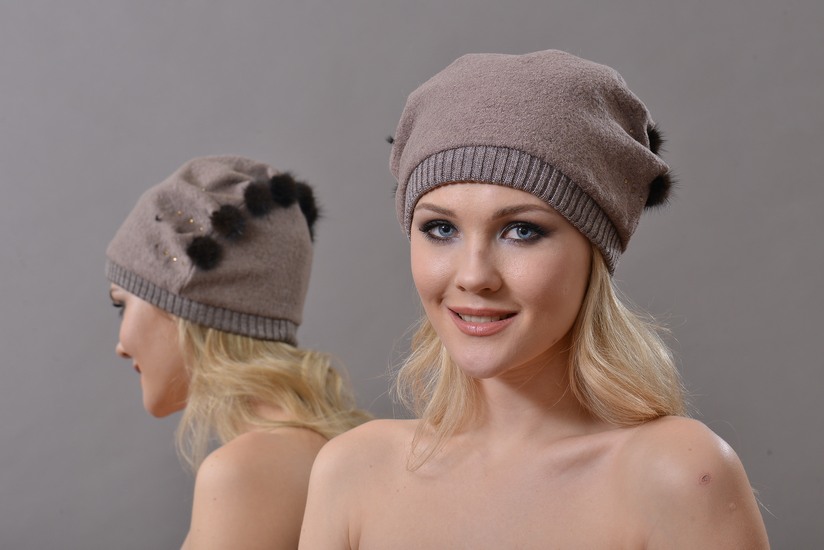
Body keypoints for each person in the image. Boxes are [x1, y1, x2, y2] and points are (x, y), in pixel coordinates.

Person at [299, 50, 769, 548]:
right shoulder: (352, 471)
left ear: (594, 251)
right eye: (440, 228)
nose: (474, 276)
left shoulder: (678, 475)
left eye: (522, 230)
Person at [105, 155, 370, 549]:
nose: (120, 347)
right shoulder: (323, 447)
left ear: (184, 308)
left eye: (121, 304)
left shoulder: (242, 473)